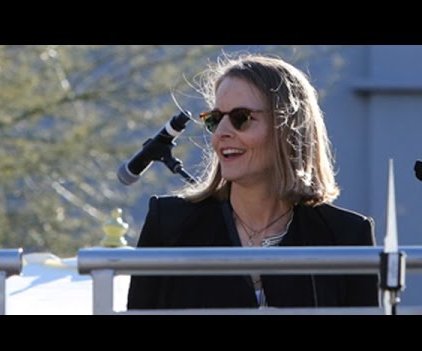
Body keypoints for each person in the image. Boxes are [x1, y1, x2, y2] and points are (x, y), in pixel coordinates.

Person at [127, 53, 380, 310]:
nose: (221, 134)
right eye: (214, 120)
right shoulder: (170, 223)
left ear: (288, 127)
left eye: (240, 118)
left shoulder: (346, 234)